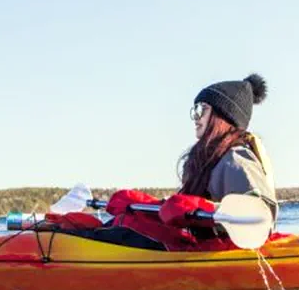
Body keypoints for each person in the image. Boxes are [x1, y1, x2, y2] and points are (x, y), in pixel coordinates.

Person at [105, 74, 277, 250]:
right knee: (124, 221)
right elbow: (183, 211)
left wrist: (204, 209)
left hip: (224, 252)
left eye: (202, 109)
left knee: (123, 233)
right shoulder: (208, 160)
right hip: (202, 248)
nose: (195, 117)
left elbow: (261, 218)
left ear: (223, 116)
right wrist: (145, 207)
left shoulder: (235, 159)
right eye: (195, 110)